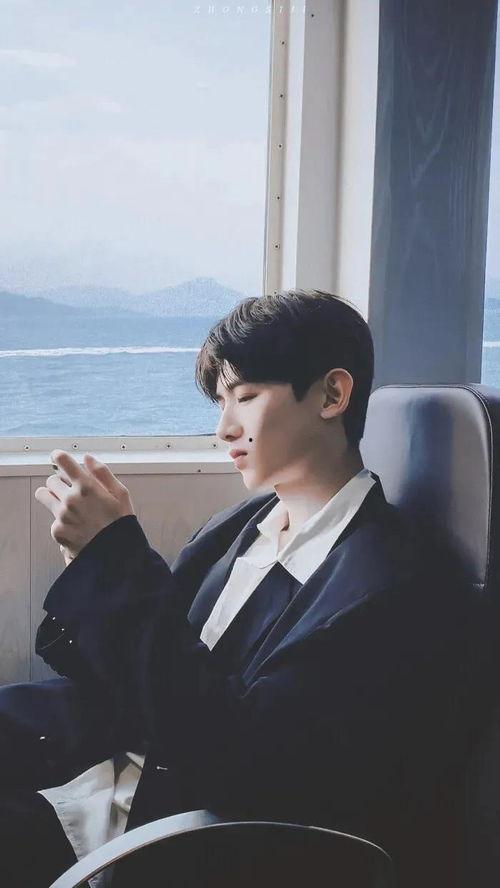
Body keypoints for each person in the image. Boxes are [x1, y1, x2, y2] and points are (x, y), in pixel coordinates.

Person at [0, 290, 484, 887]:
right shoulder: (237, 529)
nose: (224, 428)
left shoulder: (389, 585)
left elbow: (238, 761)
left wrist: (113, 562)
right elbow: (151, 673)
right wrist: (91, 565)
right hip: (115, 773)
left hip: (181, 831)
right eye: (221, 401)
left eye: (246, 397)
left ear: (332, 395)